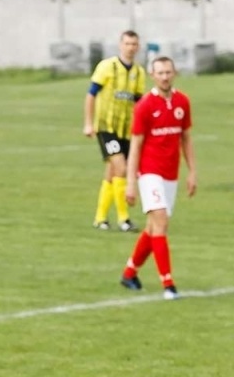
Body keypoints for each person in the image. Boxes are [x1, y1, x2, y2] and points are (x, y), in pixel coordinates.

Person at [121, 56, 196, 301]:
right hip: (149, 173)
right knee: (161, 221)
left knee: (153, 227)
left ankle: (129, 273)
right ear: (152, 75)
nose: (164, 77)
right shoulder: (144, 106)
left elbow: (186, 138)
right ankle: (169, 284)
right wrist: (131, 182)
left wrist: (192, 172)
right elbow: (135, 146)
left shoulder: (182, 102)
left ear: (174, 73)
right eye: (160, 73)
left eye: (168, 72)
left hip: (171, 174)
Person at [83, 30, 146, 232]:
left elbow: (139, 103)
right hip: (106, 128)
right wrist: (88, 123)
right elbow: (91, 94)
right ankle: (123, 219)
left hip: (126, 130)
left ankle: (100, 218)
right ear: (120, 45)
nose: (130, 48)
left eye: (134, 44)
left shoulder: (139, 72)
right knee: (121, 168)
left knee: (112, 172)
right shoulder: (107, 66)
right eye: (127, 43)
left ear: (138, 47)